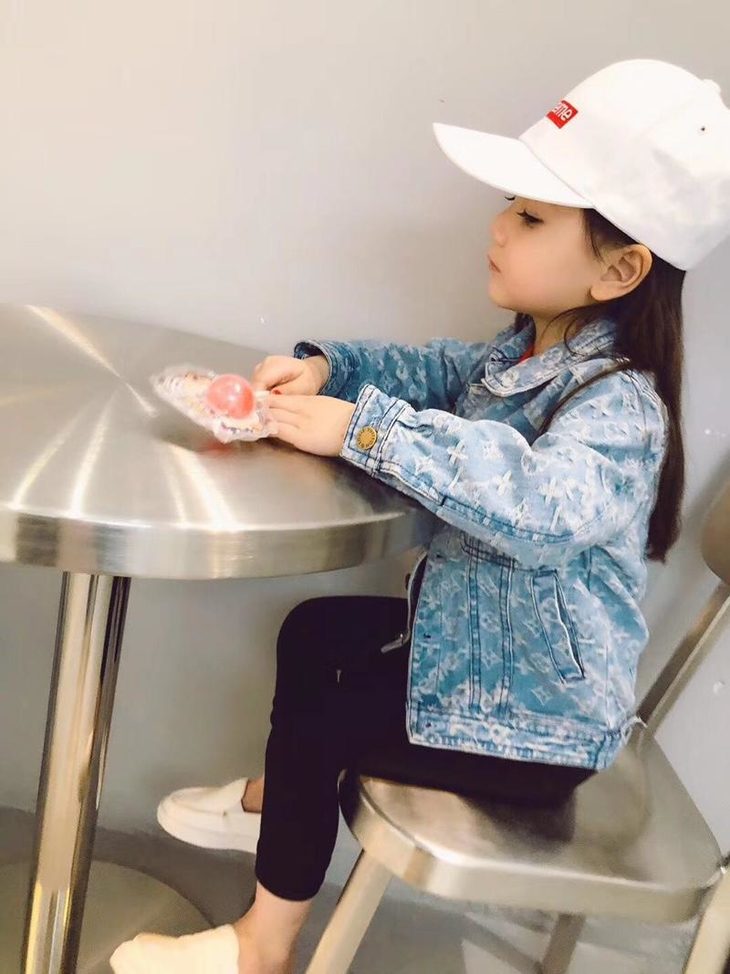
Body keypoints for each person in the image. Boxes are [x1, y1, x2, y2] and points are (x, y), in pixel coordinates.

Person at [111, 58, 730, 974]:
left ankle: (261, 946)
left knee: (324, 717)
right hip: (490, 662)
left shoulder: (622, 407)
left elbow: (536, 505)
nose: (498, 228)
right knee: (315, 630)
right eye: (511, 207)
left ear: (621, 268)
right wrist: (328, 372)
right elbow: (436, 372)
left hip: (538, 726)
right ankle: (279, 803)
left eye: (531, 218)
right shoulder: (529, 352)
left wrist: (360, 430)